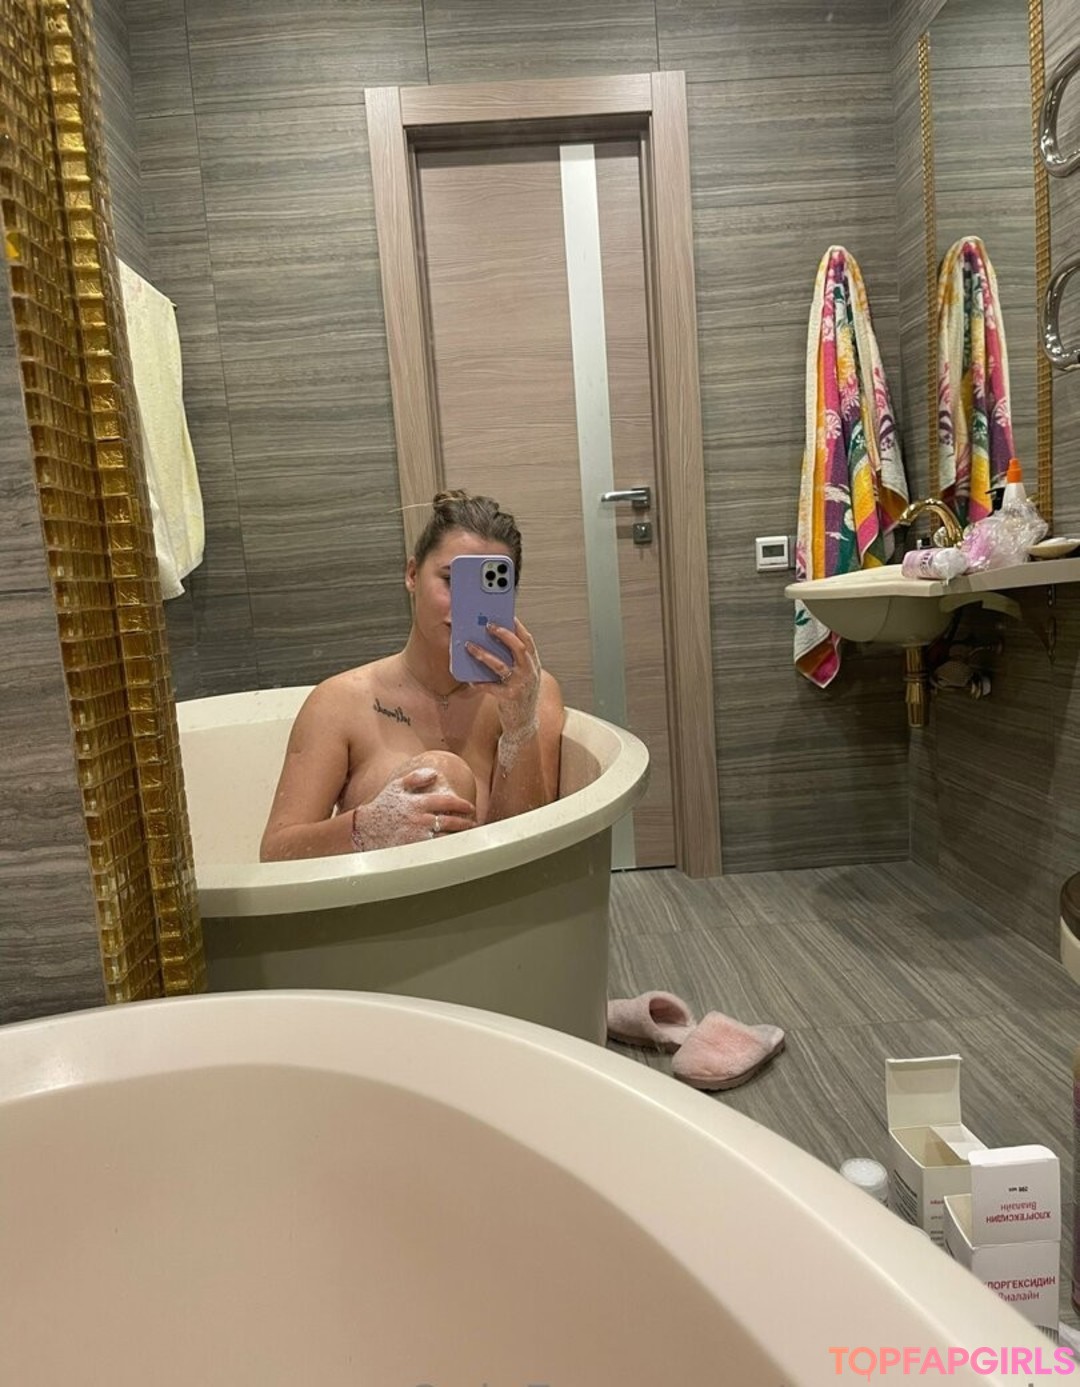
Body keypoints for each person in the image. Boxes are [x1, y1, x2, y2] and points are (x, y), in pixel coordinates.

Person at [260, 491, 565, 861]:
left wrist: (519, 728)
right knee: (441, 772)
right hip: (381, 898)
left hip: (497, 896)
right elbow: (277, 853)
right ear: (412, 574)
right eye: (451, 581)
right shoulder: (340, 703)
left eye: (487, 588)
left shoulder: (532, 695)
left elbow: (533, 853)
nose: (463, 606)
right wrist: (365, 829)